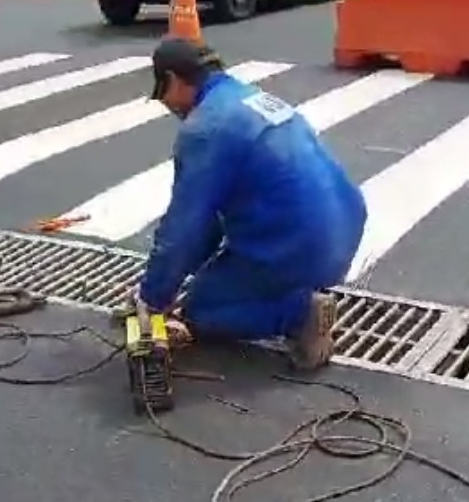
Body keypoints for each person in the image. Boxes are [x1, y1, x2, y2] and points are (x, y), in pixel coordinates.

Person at [137, 38, 367, 370]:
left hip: (296, 245)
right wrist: (182, 273)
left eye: (163, 94)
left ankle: (300, 313)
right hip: (342, 228)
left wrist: (152, 298)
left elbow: (184, 227)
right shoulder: (251, 98)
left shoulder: (205, 127)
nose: (168, 106)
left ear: (172, 80)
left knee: (202, 310)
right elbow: (210, 222)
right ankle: (299, 291)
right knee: (213, 281)